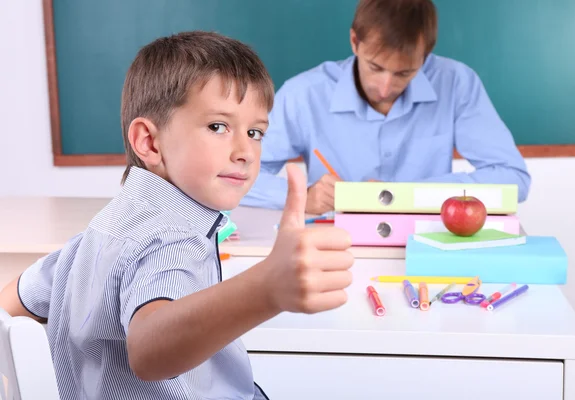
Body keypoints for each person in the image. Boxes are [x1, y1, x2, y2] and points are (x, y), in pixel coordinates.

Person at [0, 31, 354, 399]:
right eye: (218, 126)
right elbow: (149, 350)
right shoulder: (171, 236)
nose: (245, 151)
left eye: (255, 132)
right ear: (150, 142)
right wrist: (266, 288)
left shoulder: (103, 231)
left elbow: (16, 300)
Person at [240, 0, 531, 215]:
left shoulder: (456, 84)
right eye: (375, 67)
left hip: (426, 244)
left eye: (404, 73)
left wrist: (405, 193)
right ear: (355, 41)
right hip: (333, 246)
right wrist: (301, 195)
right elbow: (240, 176)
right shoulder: (304, 95)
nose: (385, 88)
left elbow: (513, 179)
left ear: (425, 56)